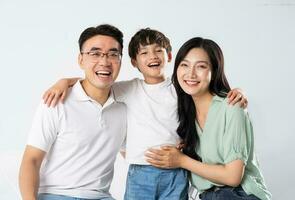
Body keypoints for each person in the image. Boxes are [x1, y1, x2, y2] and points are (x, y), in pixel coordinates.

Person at [43, 29, 248, 200]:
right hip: (140, 172)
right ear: (134, 62)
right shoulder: (129, 89)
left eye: (158, 50)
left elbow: (206, 93)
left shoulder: (182, 88)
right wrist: (65, 81)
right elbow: (96, 83)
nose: (152, 56)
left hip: (176, 171)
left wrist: (237, 91)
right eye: (144, 53)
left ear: (168, 56)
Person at [145, 37, 272, 200]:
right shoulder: (184, 111)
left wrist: (182, 160)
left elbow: (233, 177)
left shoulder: (232, 106)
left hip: (240, 194)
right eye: (184, 65)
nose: (190, 74)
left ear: (215, 71)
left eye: (201, 66)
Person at [19, 24, 127, 200]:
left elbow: (132, 152)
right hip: (56, 194)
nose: (105, 61)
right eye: (95, 53)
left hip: (101, 196)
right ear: (81, 59)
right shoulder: (56, 101)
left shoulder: (125, 102)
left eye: (113, 54)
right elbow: (31, 160)